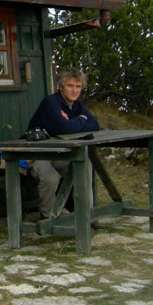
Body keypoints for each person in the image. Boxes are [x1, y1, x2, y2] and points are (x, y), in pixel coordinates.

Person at [27, 67, 100, 219]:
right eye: (70, 86)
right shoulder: (50, 102)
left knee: (85, 164)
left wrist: (75, 121)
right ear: (61, 87)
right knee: (51, 177)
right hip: (37, 154)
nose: (74, 90)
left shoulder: (78, 105)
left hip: (60, 154)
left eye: (78, 86)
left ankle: (87, 213)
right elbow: (65, 128)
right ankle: (48, 216)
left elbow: (95, 124)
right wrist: (82, 120)